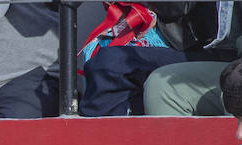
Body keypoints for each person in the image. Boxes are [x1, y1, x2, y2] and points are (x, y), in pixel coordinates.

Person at [79, 2, 233, 117]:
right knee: (99, 56)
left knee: (111, 63)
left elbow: (180, 5)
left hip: (212, 48)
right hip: (166, 37)